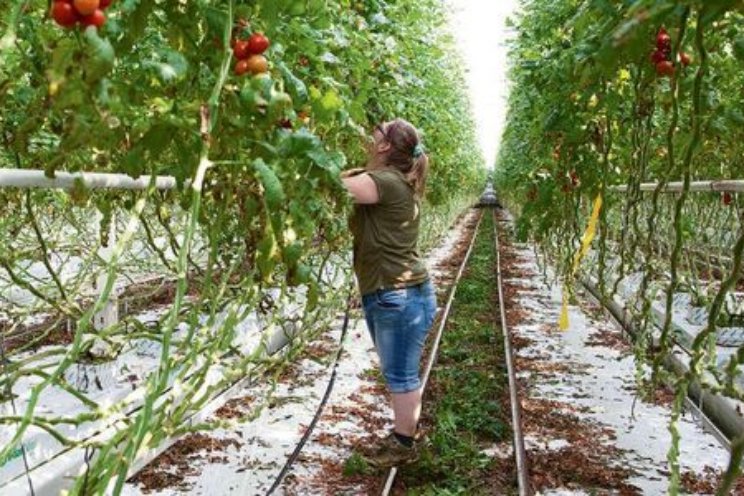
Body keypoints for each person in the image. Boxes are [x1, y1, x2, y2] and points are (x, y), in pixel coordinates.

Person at [341, 118, 437, 468]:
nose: (370, 135)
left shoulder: (386, 181)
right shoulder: (397, 181)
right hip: (402, 293)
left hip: (397, 295)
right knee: (401, 373)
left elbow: (335, 186)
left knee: (401, 376)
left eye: (376, 132)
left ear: (384, 147)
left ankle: (403, 445)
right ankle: (403, 436)